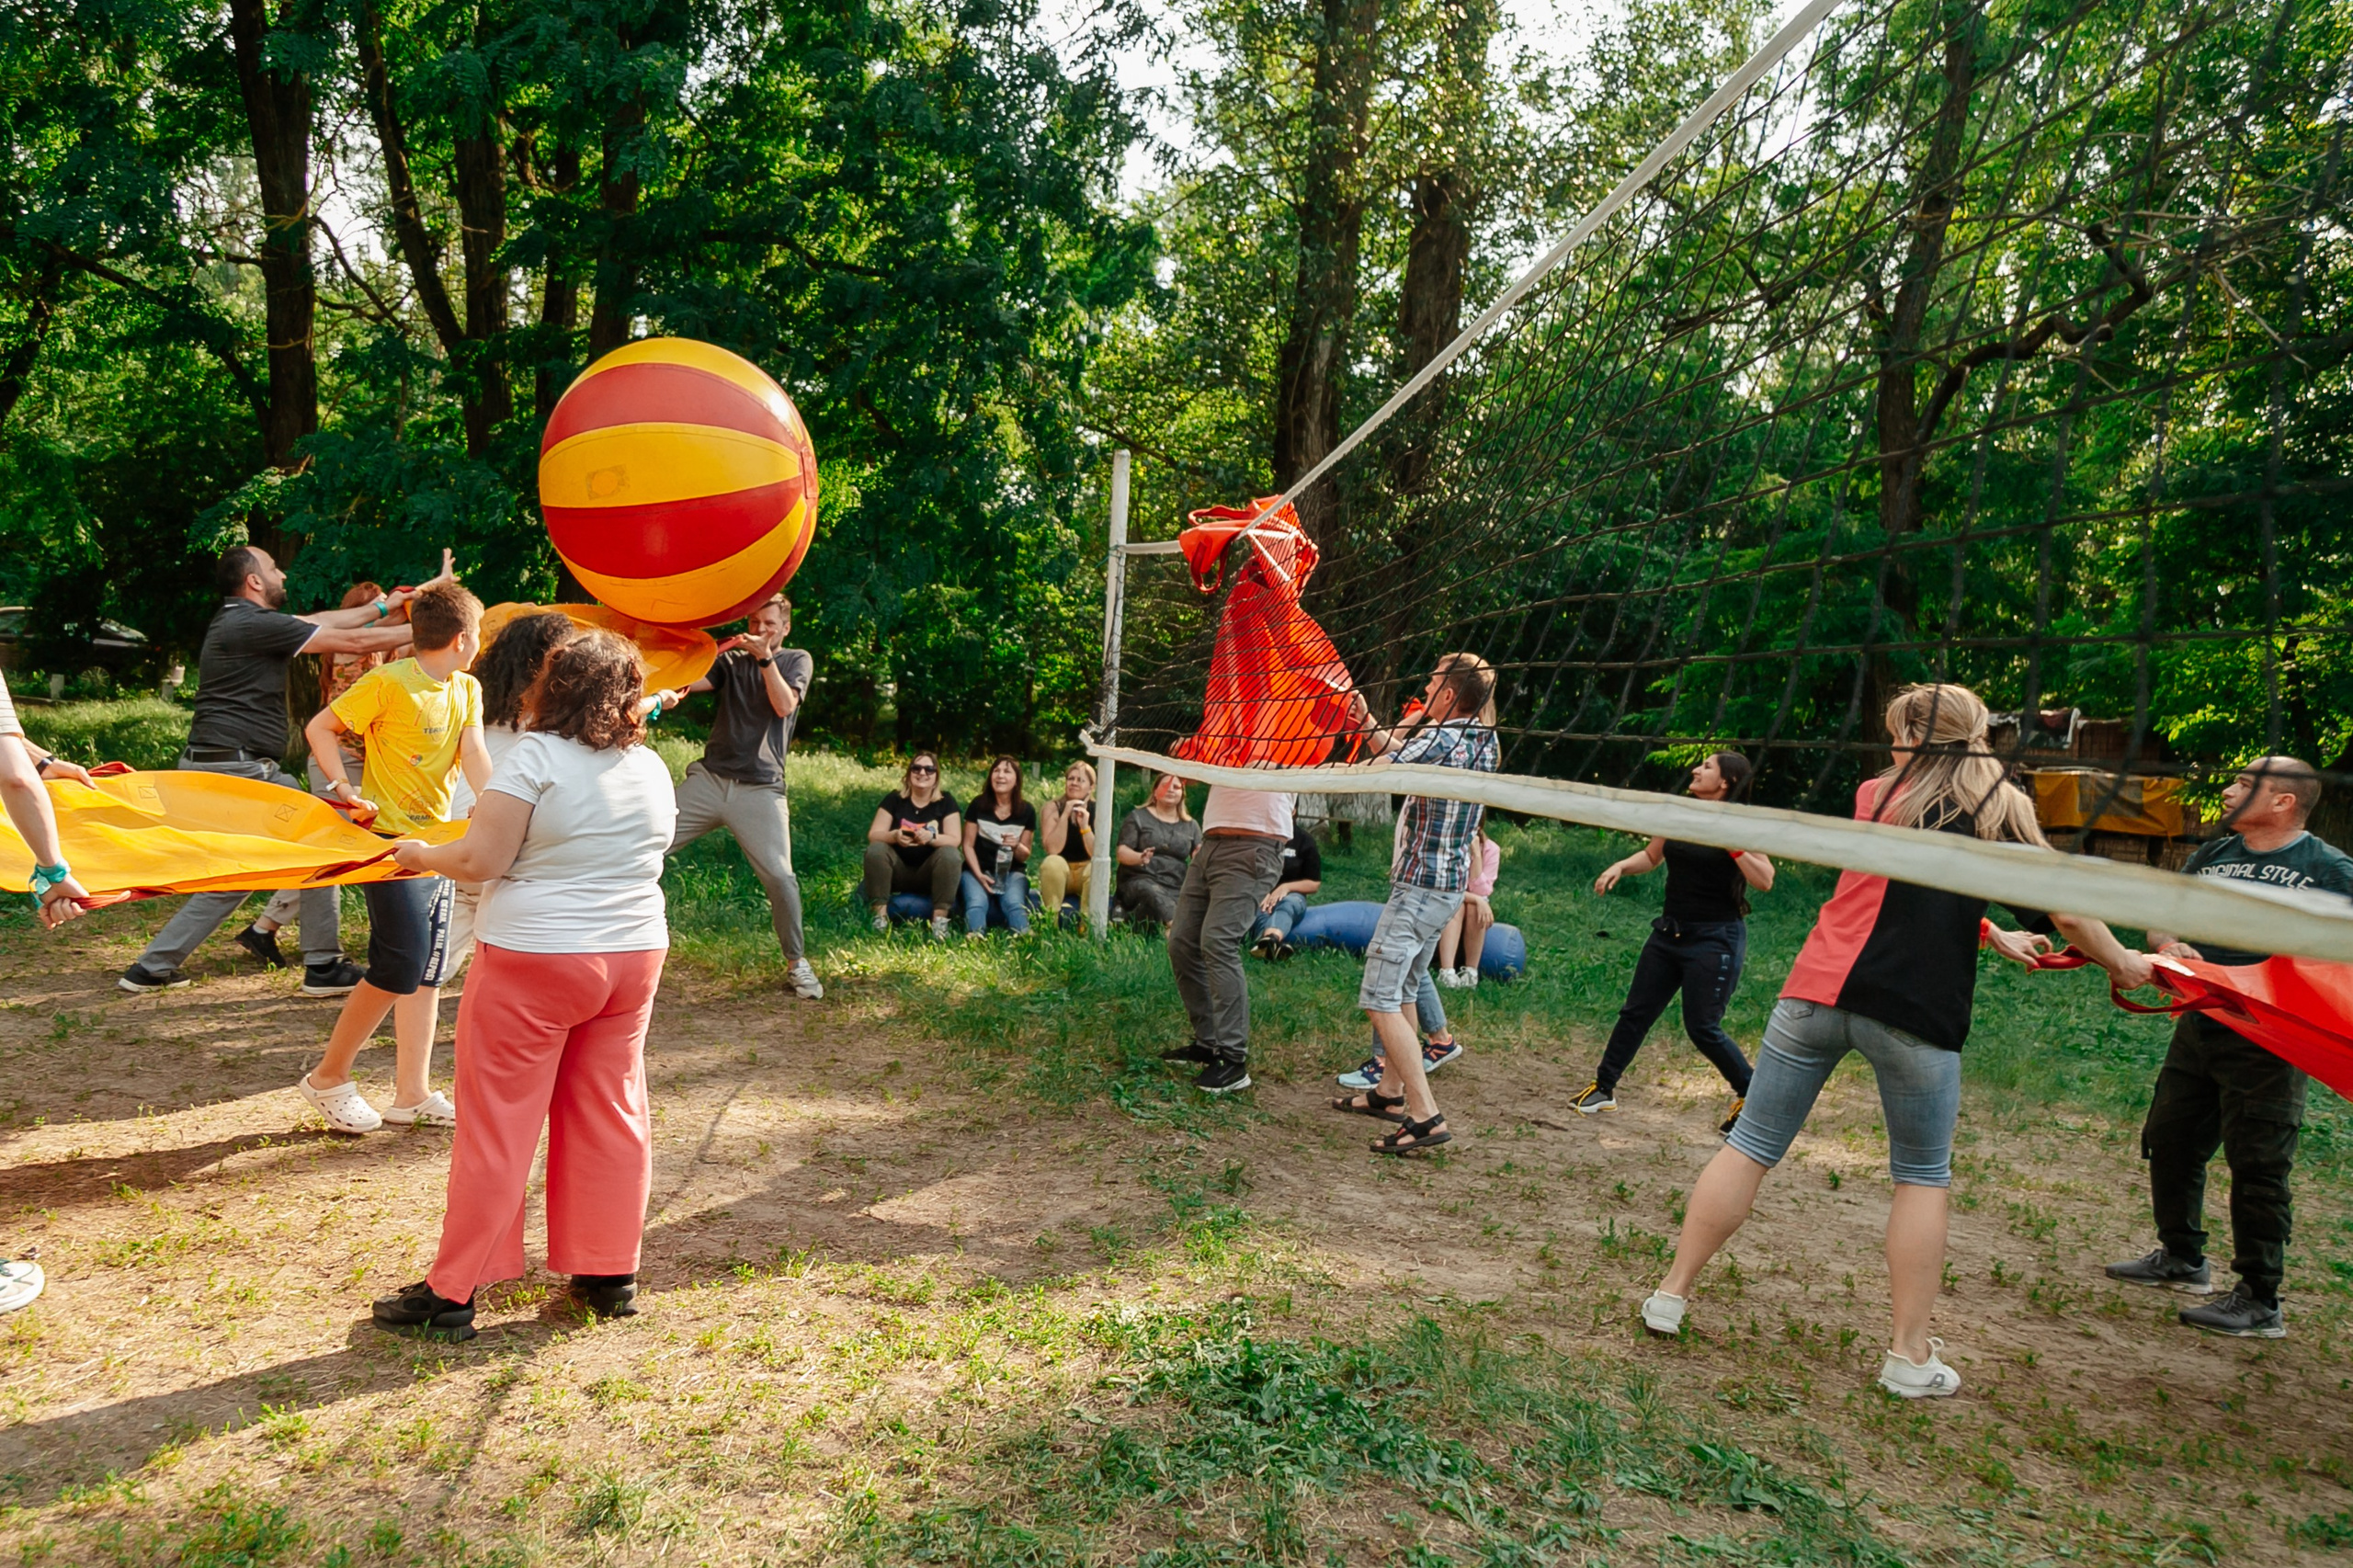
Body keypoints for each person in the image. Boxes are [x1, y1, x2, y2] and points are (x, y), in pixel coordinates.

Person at [1640, 684, 2153, 1399]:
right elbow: (2062, 912)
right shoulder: (1997, 805)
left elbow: (1901, 888)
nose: (1887, 745)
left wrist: (1987, 928)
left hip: (1816, 993)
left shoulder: (1876, 794)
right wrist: (2123, 961)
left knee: (1750, 1146)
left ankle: (1669, 1294)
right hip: (1914, 1011)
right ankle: (1908, 1358)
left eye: (1894, 733)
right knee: (1921, 1176)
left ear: (1917, 738)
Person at [370, 631, 679, 1338]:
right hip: (633, 955)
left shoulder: (535, 757)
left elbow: (480, 859)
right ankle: (609, 1273)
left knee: (498, 1123)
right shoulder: (650, 767)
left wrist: (420, 854)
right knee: (612, 1108)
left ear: (552, 686)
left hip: (537, 958)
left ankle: (454, 1291)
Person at [2106, 756, 2353, 1339]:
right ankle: (2182, 1257)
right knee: (2170, 1139)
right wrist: (2171, 943)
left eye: (2245, 783)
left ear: (2283, 801)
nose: (2228, 790)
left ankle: (2260, 1299)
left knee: (2259, 1163)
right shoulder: (2213, 856)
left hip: (2270, 1036)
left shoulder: (2327, 868)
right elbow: (2164, 920)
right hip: (2201, 1022)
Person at [119, 546, 436, 996]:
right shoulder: (247, 623)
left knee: (246, 872)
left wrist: (385, 608)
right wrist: (440, 632)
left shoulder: (243, 620)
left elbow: (325, 620)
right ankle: (323, 964)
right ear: (253, 581)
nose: (282, 574)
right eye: (272, 568)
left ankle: (152, 967)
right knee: (327, 838)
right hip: (240, 767)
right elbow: (352, 642)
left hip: (225, 763)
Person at [292, 583, 492, 1135]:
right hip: (391, 846)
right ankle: (328, 1077)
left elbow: (474, 753)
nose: (480, 643)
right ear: (462, 638)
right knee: (398, 965)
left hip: (438, 845)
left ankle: (412, 1094)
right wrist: (342, 787)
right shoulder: (388, 682)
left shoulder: (466, 688)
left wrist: (496, 805)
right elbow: (320, 727)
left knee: (426, 972)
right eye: (479, 633)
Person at [1328, 653, 1501, 1153]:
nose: (1424, 689)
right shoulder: (1482, 739)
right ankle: (1389, 1093)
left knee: (1379, 997)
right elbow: (1409, 752)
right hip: (1445, 890)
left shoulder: (1444, 737)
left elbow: (1387, 767)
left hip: (1421, 889)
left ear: (1448, 694)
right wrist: (1368, 723)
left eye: (1432, 683)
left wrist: (1306, 774)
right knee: (1404, 987)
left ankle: (1426, 1116)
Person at [1576, 753, 1775, 1132]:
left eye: (1707, 767)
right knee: (1635, 1013)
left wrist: (1733, 846)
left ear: (1726, 783)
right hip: (1669, 934)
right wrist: (1620, 866)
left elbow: (1765, 879)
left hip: (1715, 939)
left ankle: (1751, 1096)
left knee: (1702, 1027)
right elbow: (1652, 856)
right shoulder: (1677, 813)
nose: (1696, 770)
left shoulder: (1742, 823)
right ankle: (1603, 1089)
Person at [236, 581, 403, 970]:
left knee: (339, 852)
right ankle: (300, 946)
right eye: (378, 605)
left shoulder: (384, 651)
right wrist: (400, 610)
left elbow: (429, 648)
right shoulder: (347, 647)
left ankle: (264, 927)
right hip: (336, 763)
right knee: (333, 853)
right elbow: (370, 631)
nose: (389, 611)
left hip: (362, 766)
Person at [666, 593, 823, 999]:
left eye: (769, 624)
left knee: (781, 878)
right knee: (645, 842)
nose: (760, 630)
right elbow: (690, 683)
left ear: (785, 627)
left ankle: (797, 962)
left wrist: (765, 659)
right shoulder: (732, 660)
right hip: (710, 780)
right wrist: (671, 671)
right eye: (754, 623)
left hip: (761, 788)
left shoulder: (796, 660)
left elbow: (784, 706)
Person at [421, 609, 580, 1002]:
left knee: (438, 948)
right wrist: (656, 701)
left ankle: (408, 990)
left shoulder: (473, 700)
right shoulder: (552, 718)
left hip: (450, 833)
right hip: (499, 844)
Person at [1163, 780, 1293, 1094]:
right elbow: (1195, 772)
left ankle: (1233, 1059)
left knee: (1218, 941)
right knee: (1181, 941)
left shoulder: (1290, 746)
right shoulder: (1225, 744)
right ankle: (1208, 1043)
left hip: (1256, 844)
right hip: (1211, 842)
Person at [864, 753, 961, 939]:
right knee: (876, 850)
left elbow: (954, 840)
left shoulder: (946, 801)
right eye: (916, 768)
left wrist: (931, 838)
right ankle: (879, 920)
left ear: (936, 776)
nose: (922, 773)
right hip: (897, 870)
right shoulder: (894, 799)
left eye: (929, 769)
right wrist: (894, 836)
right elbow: (874, 835)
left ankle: (940, 923)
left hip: (930, 873)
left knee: (950, 854)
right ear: (909, 774)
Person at [961, 756, 1037, 937]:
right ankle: (975, 935)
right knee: (977, 902)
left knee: (1013, 902)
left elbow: (1025, 855)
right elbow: (967, 845)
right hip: (977, 870)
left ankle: (1023, 935)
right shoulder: (978, 805)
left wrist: (1016, 845)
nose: (1000, 776)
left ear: (1016, 780)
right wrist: (979, 875)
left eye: (1007, 771)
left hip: (1011, 872)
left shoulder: (1027, 810)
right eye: (996, 771)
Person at [1115, 772, 1199, 928]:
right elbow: (1121, 852)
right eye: (1165, 785)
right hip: (1140, 880)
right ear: (1155, 791)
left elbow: (1198, 854)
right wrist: (1139, 857)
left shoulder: (1191, 825)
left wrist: (1200, 854)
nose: (1171, 790)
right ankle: (1176, 928)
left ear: (1182, 794)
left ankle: (1168, 930)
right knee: (1151, 891)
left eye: (1176, 787)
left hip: (1176, 885)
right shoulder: (1138, 817)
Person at [1435, 822, 1501, 986]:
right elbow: (1447, 887)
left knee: (1474, 908)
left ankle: (1471, 971)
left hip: (1469, 899)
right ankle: (1447, 971)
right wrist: (1478, 900)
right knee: (1458, 905)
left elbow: (1482, 891)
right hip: (1448, 897)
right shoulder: (1450, 846)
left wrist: (1477, 856)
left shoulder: (1492, 850)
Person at [1247, 822, 1324, 960]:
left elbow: (1314, 884)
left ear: (1293, 811)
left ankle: (1270, 940)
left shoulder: (1304, 840)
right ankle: (1273, 947)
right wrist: (1262, 890)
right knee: (1261, 909)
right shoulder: (1260, 837)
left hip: (1293, 895)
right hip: (1262, 895)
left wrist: (1286, 888)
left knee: (1288, 904)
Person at [1035, 762, 1097, 923]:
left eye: (1080, 780)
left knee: (1096, 867)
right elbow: (1053, 849)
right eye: (1071, 779)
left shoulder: (1098, 809)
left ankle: (1087, 924)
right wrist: (1065, 814)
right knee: (1052, 862)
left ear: (1091, 787)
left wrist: (1085, 827)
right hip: (1062, 873)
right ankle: (1051, 922)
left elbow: (1096, 853)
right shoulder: (1052, 808)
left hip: (1085, 871)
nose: (1074, 783)